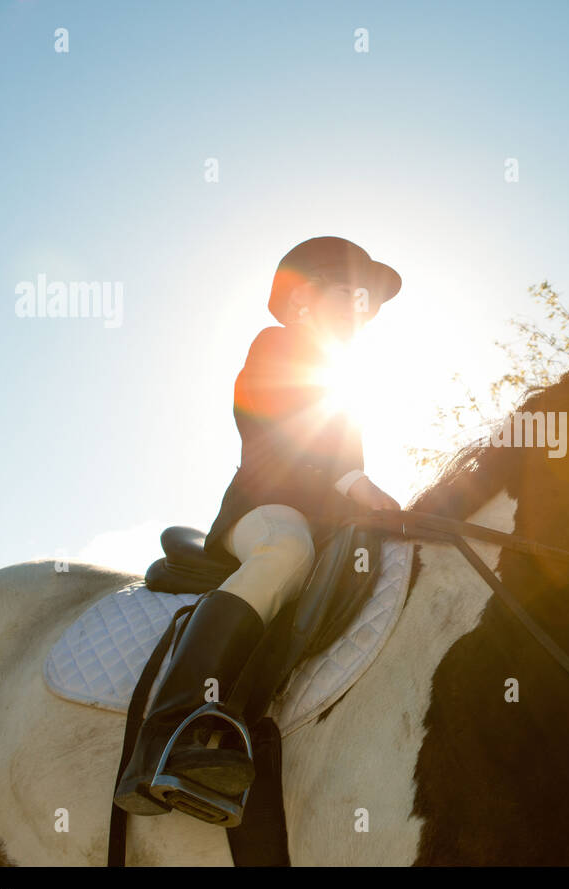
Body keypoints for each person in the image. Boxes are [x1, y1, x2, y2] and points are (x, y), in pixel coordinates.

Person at [114, 237, 401, 821]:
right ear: (301, 303)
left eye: (366, 302)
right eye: (350, 293)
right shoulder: (277, 347)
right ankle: (170, 731)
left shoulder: (348, 382)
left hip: (329, 523)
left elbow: (350, 461)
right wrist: (356, 487)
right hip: (264, 510)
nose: (361, 310)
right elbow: (296, 437)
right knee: (285, 550)